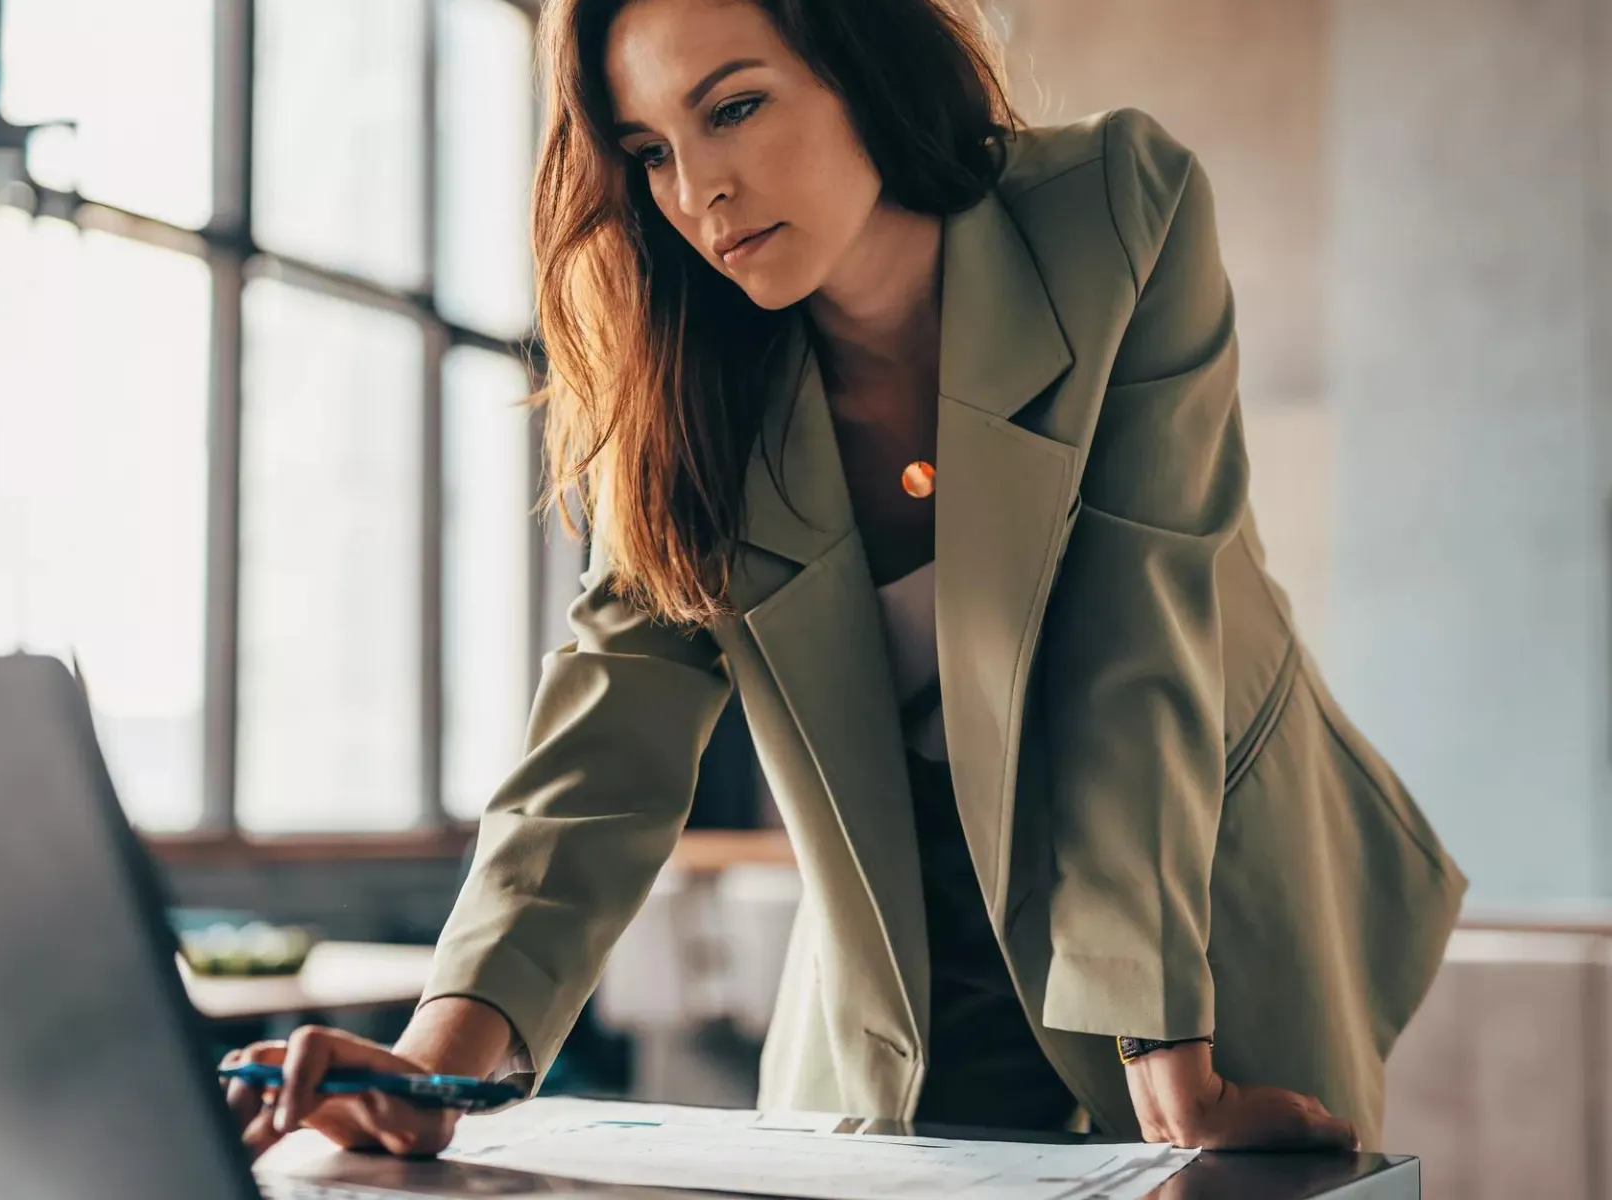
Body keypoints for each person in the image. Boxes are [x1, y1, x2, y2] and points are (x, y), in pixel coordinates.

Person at [222, 0, 1467, 1158]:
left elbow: (1137, 638)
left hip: (1192, 920)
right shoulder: (686, 397)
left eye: (734, 107)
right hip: (904, 968)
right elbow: (605, 733)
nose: (699, 189)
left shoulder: (1115, 212)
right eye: (650, 151)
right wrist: (436, 1064)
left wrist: (1161, 1041)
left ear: (861, 61)